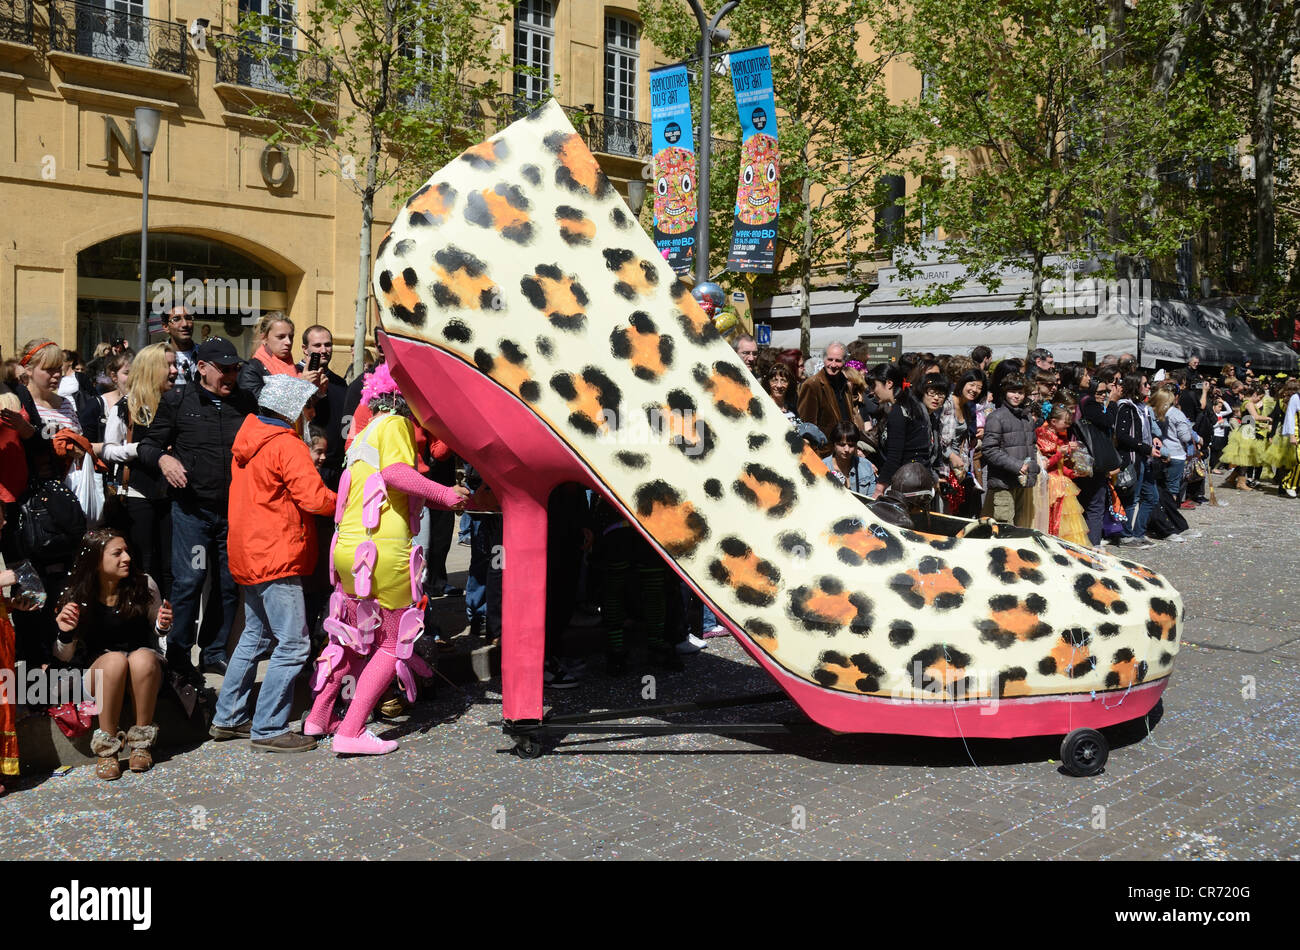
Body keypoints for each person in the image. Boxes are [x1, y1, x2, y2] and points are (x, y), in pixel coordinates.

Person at [305, 365, 469, 754]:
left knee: (351, 638)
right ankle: (351, 731)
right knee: (395, 641)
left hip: (349, 549)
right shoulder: (395, 424)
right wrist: (447, 495)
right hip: (383, 550)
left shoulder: (364, 433)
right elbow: (397, 474)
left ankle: (318, 716)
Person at [212, 375, 336, 752]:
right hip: (277, 554)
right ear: (293, 410)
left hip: (251, 552)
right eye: (306, 407)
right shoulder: (287, 444)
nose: (309, 414)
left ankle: (228, 717)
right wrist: (350, 499)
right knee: (295, 643)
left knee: (255, 635)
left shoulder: (249, 440)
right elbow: (315, 500)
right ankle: (268, 727)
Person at [137, 337, 254, 680]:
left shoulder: (245, 401)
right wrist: (164, 459)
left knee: (229, 583)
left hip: (232, 513)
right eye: (224, 369)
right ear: (202, 368)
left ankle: (214, 651)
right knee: (190, 579)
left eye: (235, 368)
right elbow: (147, 446)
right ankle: (178, 654)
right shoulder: (177, 400)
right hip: (193, 513)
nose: (231, 375)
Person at [51, 530, 171, 781]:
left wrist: (162, 626)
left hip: (143, 669)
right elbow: (63, 656)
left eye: (126, 551)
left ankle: (141, 743)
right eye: (117, 553)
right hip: (99, 673)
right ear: (96, 560)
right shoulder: (77, 595)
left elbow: (159, 634)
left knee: (140, 658)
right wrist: (64, 633)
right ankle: (107, 749)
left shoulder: (144, 584)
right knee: (115, 661)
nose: (126, 557)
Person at [100, 344, 177, 593]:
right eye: (169, 366)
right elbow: (109, 450)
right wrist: (139, 449)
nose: (175, 371)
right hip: (136, 495)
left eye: (176, 365)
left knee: (169, 564)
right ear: (152, 369)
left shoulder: (176, 404)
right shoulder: (127, 406)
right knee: (143, 562)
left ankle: (165, 622)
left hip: (169, 495)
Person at [981, 374, 1040, 527]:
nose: (1016, 396)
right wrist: (1017, 465)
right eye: (1012, 391)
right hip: (1003, 483)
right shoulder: (996, 417)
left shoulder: (1027, 418)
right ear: (1005, 392)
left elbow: (1032, 447)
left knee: (1021, 526)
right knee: (1003, 526)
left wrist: (1033, 469)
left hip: (1023, 482)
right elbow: (989, 450)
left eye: (1020, 392)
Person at [1114, 373, 1161, 547]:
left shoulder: (1143, 407)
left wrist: (1155, 437)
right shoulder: (1125, 407)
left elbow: (1146, 430)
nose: (1148, 386)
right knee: (1132, 499)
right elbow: (1122, 436)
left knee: (1151, 497)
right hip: (1133, 458)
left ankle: (1138, 533)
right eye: (1145, 383)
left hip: (1146, 458)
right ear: (1135, 386)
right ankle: (1127, 535)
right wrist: (1146, 448)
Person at [1036, 405, 1089, 547]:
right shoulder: (1043, 434)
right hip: (1049, 483)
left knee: (1063, 520)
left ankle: (1062, 547)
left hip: (1060, 482)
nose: (1067, 426)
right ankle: (1050, 545)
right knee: (1051, 518)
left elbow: (1059, 465)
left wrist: (1072, 473)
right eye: (1065, 422)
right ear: (1053, 421)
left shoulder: (1058, 436)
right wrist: (1061, 453)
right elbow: (1046, 464)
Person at [879, 372, 942, 484]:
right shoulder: (908, 413)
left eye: (941, 394)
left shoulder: (935, 419)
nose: (936, 398)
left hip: (918, 477)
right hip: (905, 477)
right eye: (932, 393)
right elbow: (895, 455)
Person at [238, 312, 301, 401]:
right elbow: (258, 405)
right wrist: (302, 388)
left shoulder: (297, 370)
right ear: (264, 338)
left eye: (290, 337)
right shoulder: (251, 369)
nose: (288, 342)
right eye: (281, 337)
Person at [797, 342, 851, 438]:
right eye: (830, 359)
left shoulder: (846, 383)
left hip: (845, 447)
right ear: (824, 359)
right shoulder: (812, 385)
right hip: (825, 449)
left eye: (838, 360)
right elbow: (807, 426)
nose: (833, 365)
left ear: (844, 362)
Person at [822, 421, 877, 495]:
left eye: (851, 445)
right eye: (842, 445)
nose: (847, 449)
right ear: (833, 444)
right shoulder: (822, 467)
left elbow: (871, 499)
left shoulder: (866, 466)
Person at [164, 306, 199, 386]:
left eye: (188, 318)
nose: (185, 324)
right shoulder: (156, 357)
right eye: (176, 319)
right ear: (166, 327)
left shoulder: (205, 354)